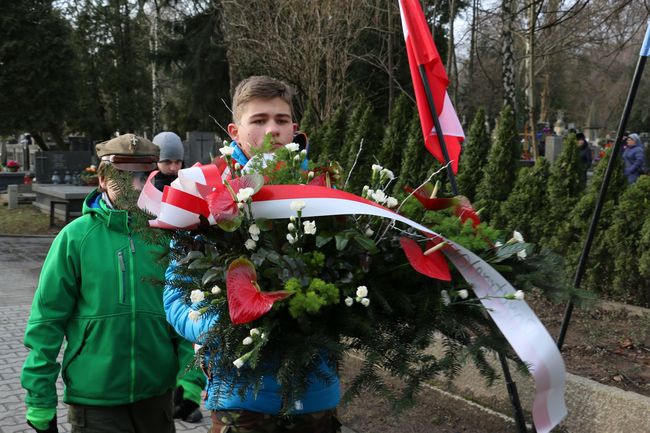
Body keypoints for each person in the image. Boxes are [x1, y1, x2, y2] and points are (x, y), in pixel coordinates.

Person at [164, 76, 341, 433]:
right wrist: (220, 324)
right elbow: (174, 296)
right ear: (235, 130)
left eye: (281, 119)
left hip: (315, 396)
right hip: (239, 400)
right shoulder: (205, 195)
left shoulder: (326, 195)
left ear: (295, 127)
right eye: (259, 120)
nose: (272, 130)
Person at [21, 134, 205, 433]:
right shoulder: (75, 238)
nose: (136, 185)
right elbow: (46, 322)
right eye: (125, 176)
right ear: (104, 179)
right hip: (95, 401)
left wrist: (190, 379)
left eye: (144, 176)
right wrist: (40, 398)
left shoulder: (169, 236)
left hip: (156, 396)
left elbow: (187, 317)